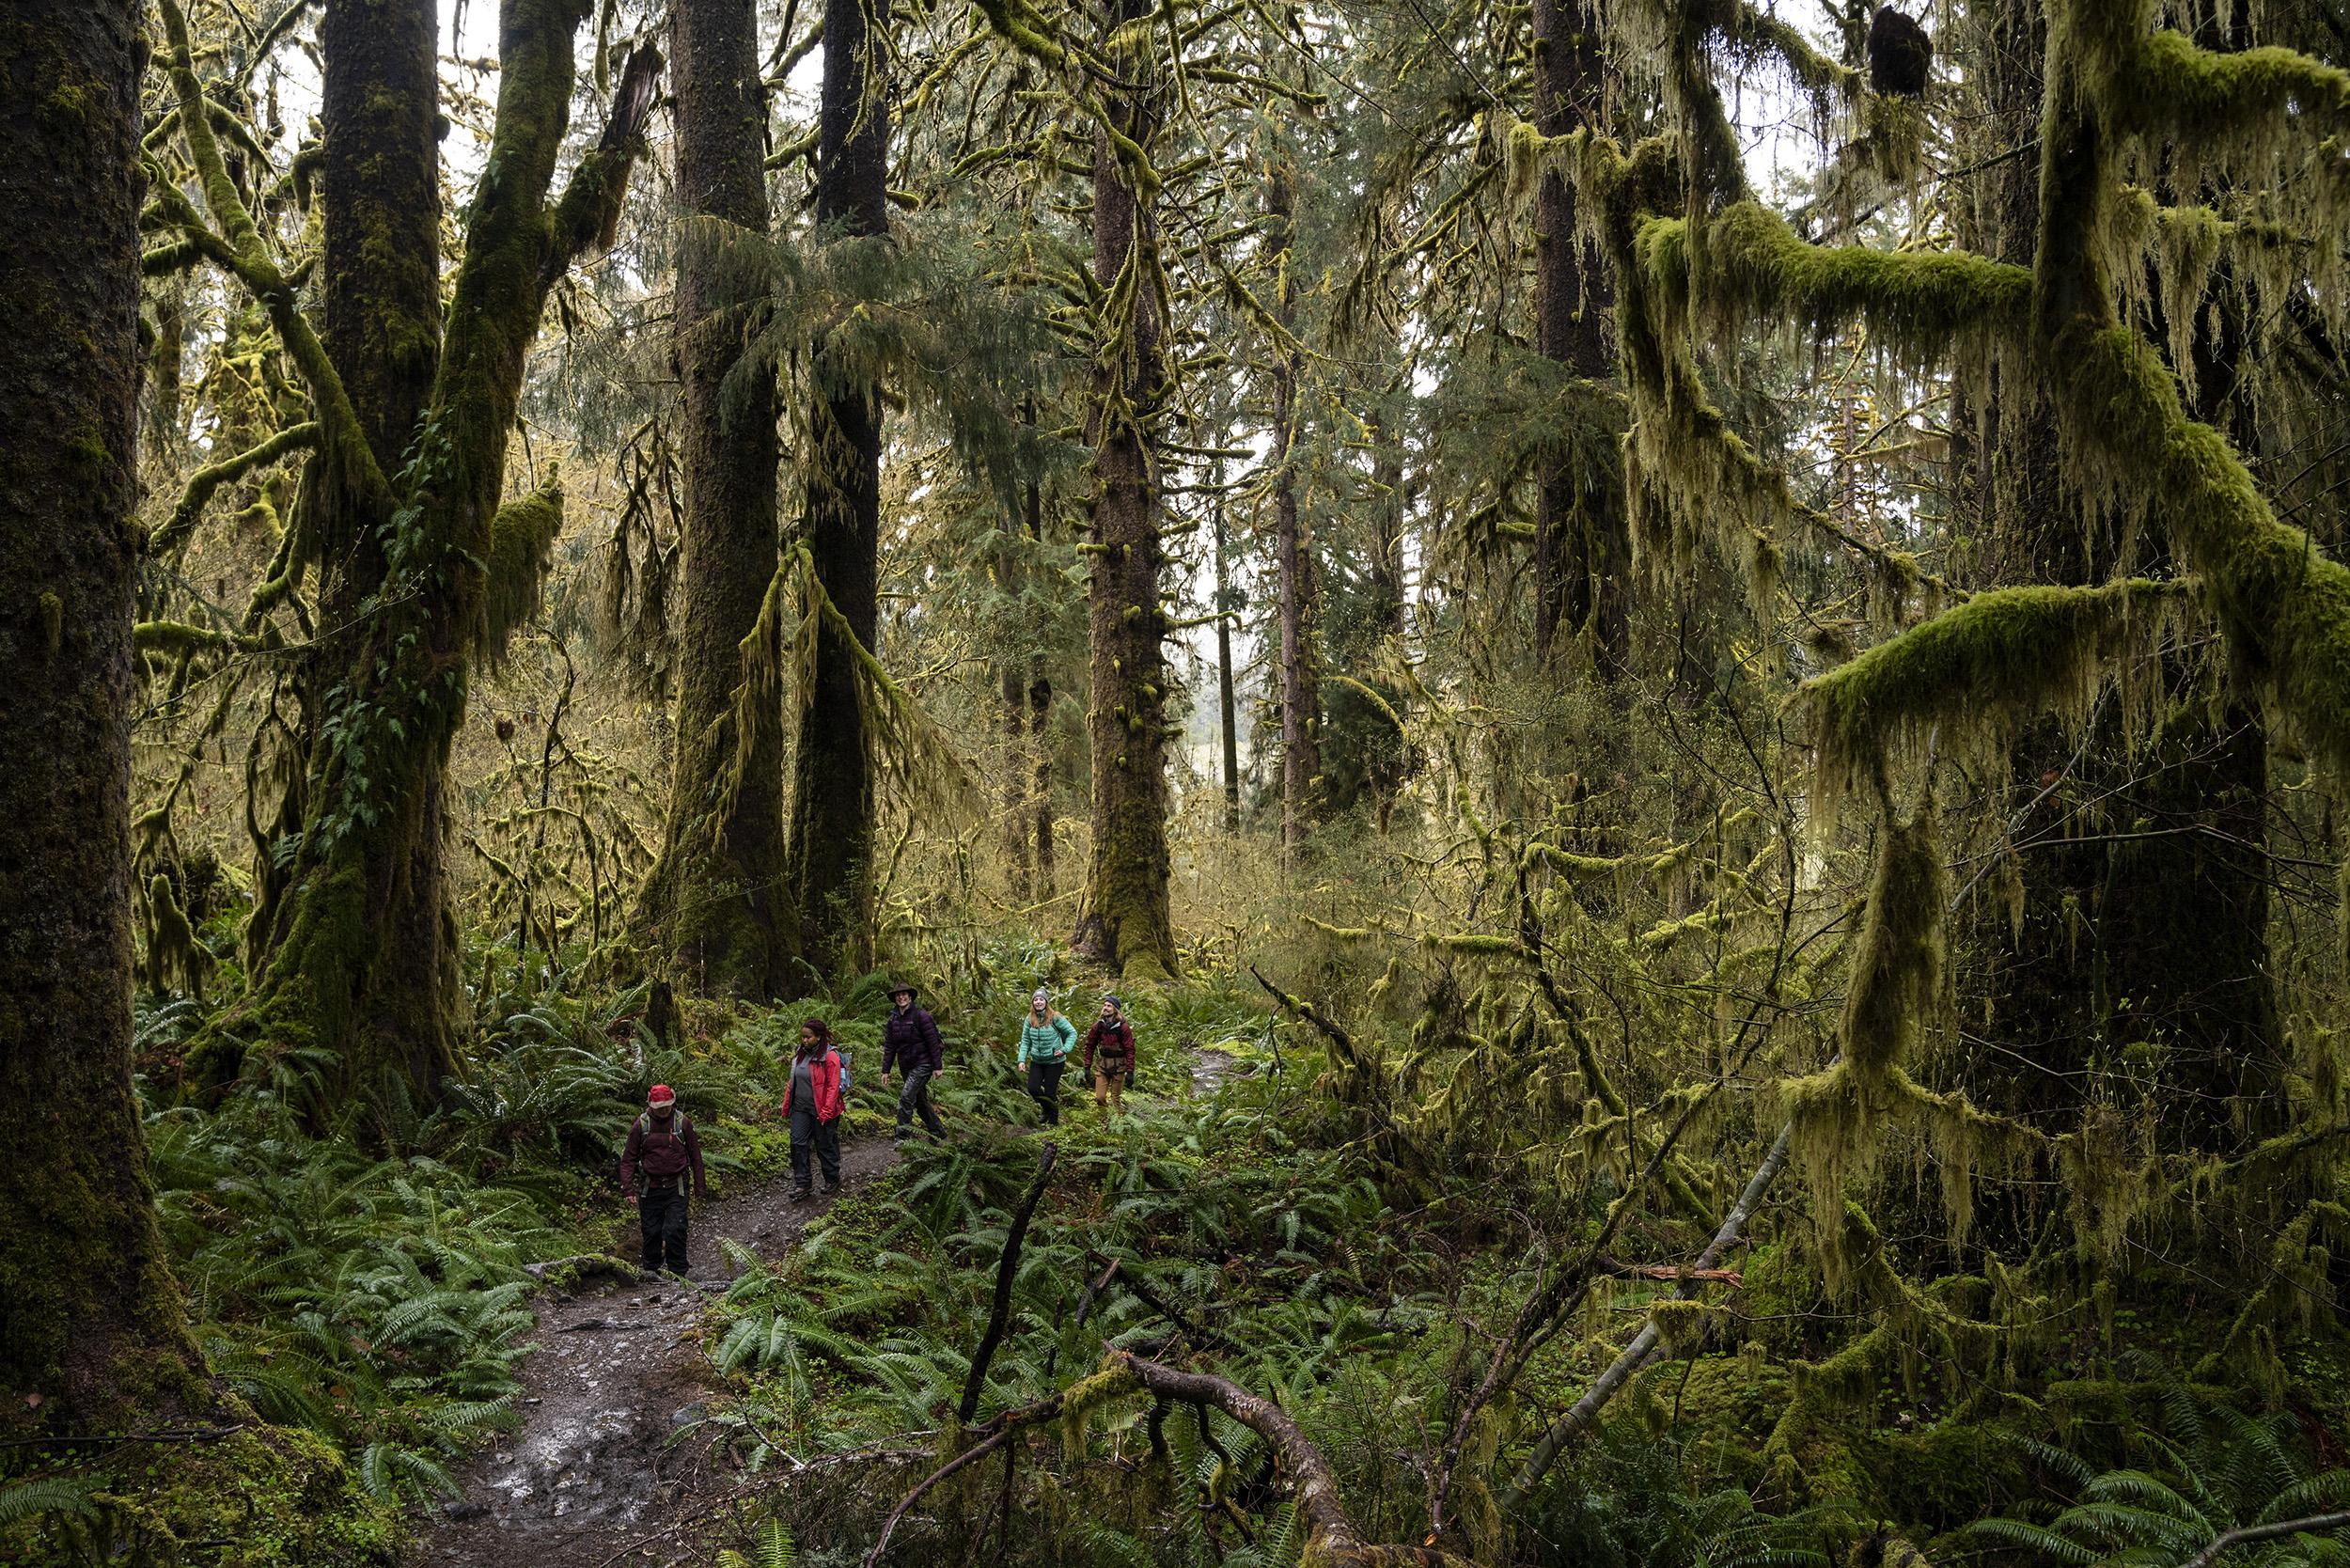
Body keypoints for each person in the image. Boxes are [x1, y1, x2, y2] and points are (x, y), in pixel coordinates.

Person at [619, 1085, 706, 1276]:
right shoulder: (641, 1125)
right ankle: (651, 1270)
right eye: (660, 1107)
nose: (664, 1110)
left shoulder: (682, 1123)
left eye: (667, 1106)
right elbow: (628, 1159)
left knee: (676, 1228)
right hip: (650, 1187)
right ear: (651, 1105)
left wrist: (700, 1186)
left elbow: (696, 1157)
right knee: (651, 1230)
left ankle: (678, 1271)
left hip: (677, 1185)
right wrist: (628, 1189)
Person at [782, 1018, 845, 1202]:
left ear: (818, 1037)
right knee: (797, 1143)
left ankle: (832, 1179)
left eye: (808, 1037)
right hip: (800, 1108)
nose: (804, 1041)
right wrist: (787, 1105)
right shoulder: (799, 1054)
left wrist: (825, 1112)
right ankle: (803, 1184)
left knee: (824, 1145)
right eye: (802, 1037)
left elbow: (833, 1087)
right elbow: (792, 1082)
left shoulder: (830, 1056)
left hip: (823, 1110)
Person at [878, 979, 946, 1141]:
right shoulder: (892, 1020)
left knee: (906, 1097)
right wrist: (885, 1071)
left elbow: (933, 1042)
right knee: (920, 1101)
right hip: (905, 1066)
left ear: (910, 997)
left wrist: (938, 1066)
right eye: (898, 995)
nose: (901, 997)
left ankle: (902, 1137)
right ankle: (937, 1131)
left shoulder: (921, 1016)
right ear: (895, 998)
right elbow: (890, 1047)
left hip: (923, 1063)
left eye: (904, 994)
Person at [1014, 987, 1077, 1126]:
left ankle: (1053, 1120)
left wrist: (1065, 1049)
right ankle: (1047, 1109)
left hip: (1055, 1061)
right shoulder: (1029, 1019)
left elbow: (1072, 1033)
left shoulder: (1055, 1017)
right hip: (1037, 1060)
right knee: (1033, 1089)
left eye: (1041, 999)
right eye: (1035, 999)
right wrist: (1021, 1060)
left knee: (1050, 1092)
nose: (1038, 1002)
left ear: (1046, 1002)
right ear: (1033, 1003)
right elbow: (1025, 1040)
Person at [1082, 994, 1137, 1116]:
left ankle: (1120, 1123)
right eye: (1105, 1005)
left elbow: (1130, 1049)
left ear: (1115, 1009)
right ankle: (1105, 1119)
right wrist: (1087, 1067)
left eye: (1109, 1006)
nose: (1105, 1008)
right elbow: (1090, 1045)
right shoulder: (1098, 1026)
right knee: (1100, 1098)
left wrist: (1130, 1071)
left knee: (1115, 1099)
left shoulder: (1123, 1027)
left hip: (1119, 1066)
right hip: (1103, 1065)